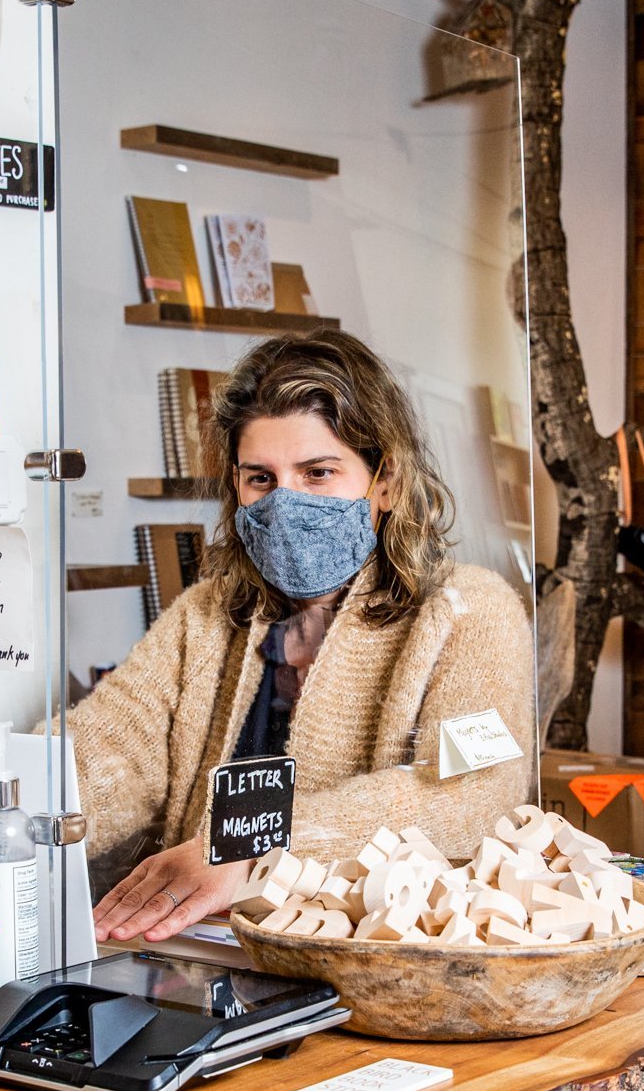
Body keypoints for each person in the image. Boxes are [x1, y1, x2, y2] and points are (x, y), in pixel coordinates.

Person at [55, 329, 535, 943]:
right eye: (261, 477)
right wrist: (7, 796)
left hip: (376, 970)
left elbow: (468, 795)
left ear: (384, 482)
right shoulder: (207, 614)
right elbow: (113, 747)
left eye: (318, 472)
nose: (285, 502)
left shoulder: (469, 612)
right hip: (203, 960)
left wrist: (244, 850)